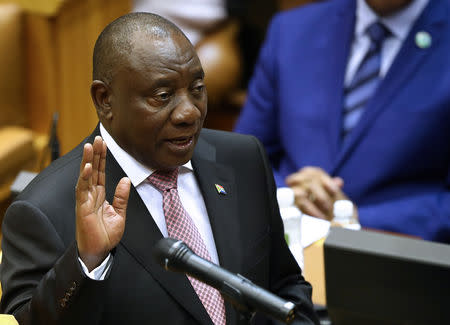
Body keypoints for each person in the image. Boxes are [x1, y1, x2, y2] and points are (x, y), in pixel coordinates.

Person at [0, 12, 318, 325]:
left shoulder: (242, 159)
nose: (189, 112)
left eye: (197, 88)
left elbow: (285, 287)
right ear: (105, 99)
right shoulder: (42, 211)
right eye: (163, 96)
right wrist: (85, 262)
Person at [234, 0, 450, 243]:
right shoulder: (292, 29)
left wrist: (356, 218)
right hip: (285, 249)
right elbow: (242, 158)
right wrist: (288, 196)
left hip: (402, 257)